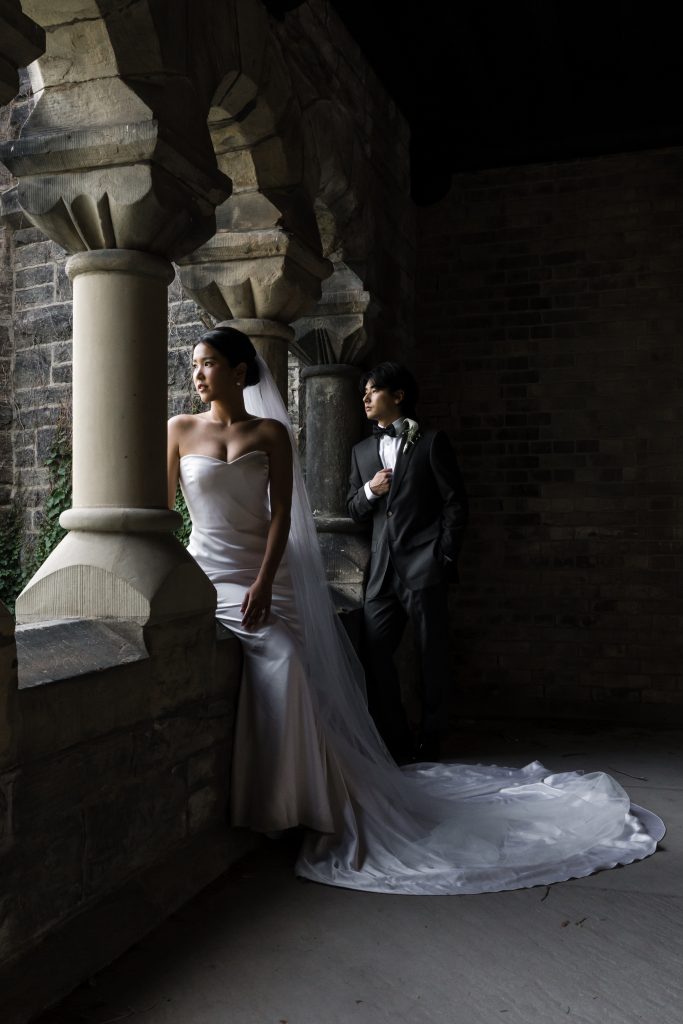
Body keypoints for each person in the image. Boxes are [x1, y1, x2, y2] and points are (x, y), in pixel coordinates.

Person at [168, 324, 664, 896]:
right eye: (194, 365)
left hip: (273, 578)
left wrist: (263, 581)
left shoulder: (274, 434)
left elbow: (285, 519)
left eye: (206, 363)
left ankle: (347, 779)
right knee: (350, 659)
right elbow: (163, 514)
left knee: (333, 662)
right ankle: (285, 800)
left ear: (238, 370)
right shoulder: (179, 430)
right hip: (208, 574)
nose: (196, 374)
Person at [347, 362, 468, 762]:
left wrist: (444, 554)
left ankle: (432, 738)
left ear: (398, 396)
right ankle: (395, 740)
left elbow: (455, 503)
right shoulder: (361, 451)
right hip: (381, 572)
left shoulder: (431, 442)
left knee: (431, 654)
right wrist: (371, 489)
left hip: (424, 564)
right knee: (375, 653)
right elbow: (354, 510)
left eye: (373, 390)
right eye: (363, 392)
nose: (365, 397)